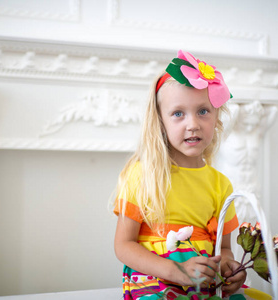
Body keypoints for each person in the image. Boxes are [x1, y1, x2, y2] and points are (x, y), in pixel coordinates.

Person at [114, 50, 270, 299]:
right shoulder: (144, 174)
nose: (193, 124)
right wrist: (176, 271)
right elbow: (123, 245)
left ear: (217, 117)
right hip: (156, 279)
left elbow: (225, 248)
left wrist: (229, 268)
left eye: (203, 111)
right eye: (178, 113)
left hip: (205, 279)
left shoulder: (221, 184)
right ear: (160, 122)